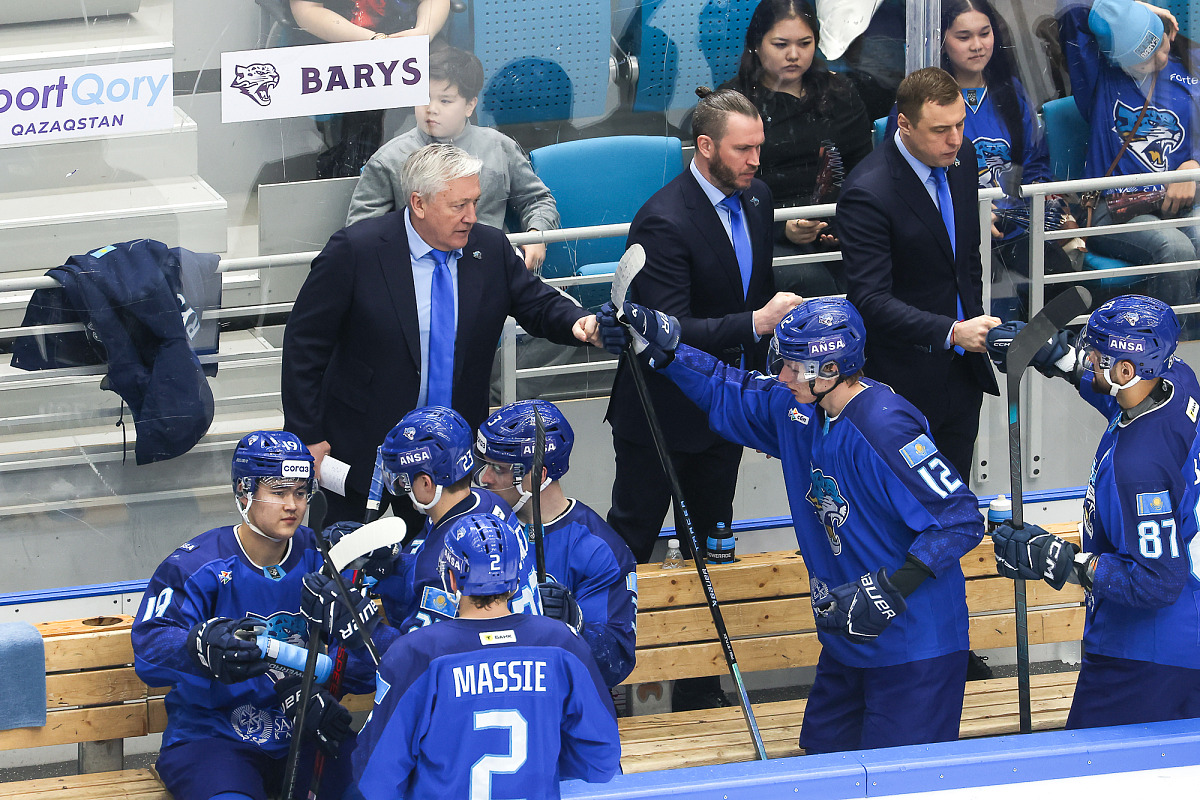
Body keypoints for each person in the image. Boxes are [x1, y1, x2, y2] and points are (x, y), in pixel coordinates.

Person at [598, 296, 984, 752]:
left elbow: (959, 520)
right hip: (847, 641)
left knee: (897, 781)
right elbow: (727, 387)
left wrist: (890, 589)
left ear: (832, 369)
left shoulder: (887, 427)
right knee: (820, 769)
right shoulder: (799, 410)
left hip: (915, 648)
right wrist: (664, 349)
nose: (783, 376)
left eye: (795, 367)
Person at [282, 143, 598, 530]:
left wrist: (578, 323)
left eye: (475, 202)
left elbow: (537, 303)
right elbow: (304, 346)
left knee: (444, 559)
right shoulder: (356, 251)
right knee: (346, 556)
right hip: (361, 449)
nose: (472, 217)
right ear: (419, 203)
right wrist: (307, 435)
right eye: (459, 206)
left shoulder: (490, 248)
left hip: (449, 460)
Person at [604, 87, 801, 709]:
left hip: (727, 408)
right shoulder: (664, 218)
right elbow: (670, 331)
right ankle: (605, 678)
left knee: (713, 545)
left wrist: (762, 378)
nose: (755, 161)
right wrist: (756, 324)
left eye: (760, 148)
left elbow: (756, 287)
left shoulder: (758, 198)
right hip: (660, 413)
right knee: (632, 541)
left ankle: (701, 686)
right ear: (706, 146)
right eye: (743, 150)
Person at [131, 432, 388, 800]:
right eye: (279, 492)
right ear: (243, 492)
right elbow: (149, 649)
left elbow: (367, 669)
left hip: (306, 728)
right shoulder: (196, 565)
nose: (293, 505)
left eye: (301, 492)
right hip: (213, 738)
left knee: (374, 790)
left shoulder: (323, 558)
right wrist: (197, 645)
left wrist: (323, 689)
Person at [986, 295, 1200, 728]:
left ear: (1126, 370)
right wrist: (1059, 360)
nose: (1088, 358)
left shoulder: (1138, 468)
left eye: (1098, 356)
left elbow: (1157, 581)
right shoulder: (1177, 379)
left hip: (1144, 653)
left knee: (1089, 763)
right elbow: (1120, 398)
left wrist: (1060, 559)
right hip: (1181, 634)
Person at [351, 512, 621, 799]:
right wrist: (543, 761)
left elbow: (376, 779)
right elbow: (602, 761)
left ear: (451, 578)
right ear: (516, 580)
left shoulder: (416, 654)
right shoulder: (563, 644)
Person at [838, 66, 1000, 484]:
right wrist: (952, 331)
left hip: (963, 373)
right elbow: (870, 299)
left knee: (956, 504)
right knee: (905, 507)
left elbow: (967, 258)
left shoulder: (962, 160)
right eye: (940, 129)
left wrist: (973, 326)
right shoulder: (868, 192)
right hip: (902, 382)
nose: (955, 139)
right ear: (905, 125)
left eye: (960, 124)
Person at [915, 0, 1076, 318]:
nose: (977, 45)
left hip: (1011, 229)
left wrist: (1041, 209)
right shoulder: (919, 101)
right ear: (942, 41)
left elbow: (1035, 163)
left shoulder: (1011, 92)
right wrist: (966, 212)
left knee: (1062, 285)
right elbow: (912, 178)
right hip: (950, 236)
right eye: (964, 37)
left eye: (984, 33)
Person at [347, 45, 559, 272]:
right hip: (421, 273)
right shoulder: (389, 159)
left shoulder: (500, 148)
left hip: (492, 268)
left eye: (445, 101)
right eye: (424, 98)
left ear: (470, 106)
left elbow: (537, 201)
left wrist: (537, 235)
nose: (431, 109)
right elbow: (361, 232)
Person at [475, 399, 639, 687]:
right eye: (485, 465)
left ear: (538, 475)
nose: (484, 479)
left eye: (498, 468)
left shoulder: (598, 549)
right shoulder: (475, 524)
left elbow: (615, 662)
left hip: (558, 699)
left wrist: (576, 626)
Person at [721, 0, 873, 295]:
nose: (794, 55)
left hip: (836, 221)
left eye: (805, 43)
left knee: (873, 271)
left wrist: (839, 223)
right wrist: (781, 227)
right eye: (781, 44)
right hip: (759, 228)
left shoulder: (840, 94)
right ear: (756, 44)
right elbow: (724, 187)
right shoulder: (733, 104)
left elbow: (863, 172)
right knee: (808, 281)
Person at [1058, 0, 1200, 308]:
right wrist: (1137, 9)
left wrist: (1194, 164)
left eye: (1158, 44)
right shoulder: (1100, 77)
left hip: (1176, 202)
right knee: (1176, 249)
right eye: (1143, 60)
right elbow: (1072, 10)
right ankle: (1168, 338)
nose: (1158, 58)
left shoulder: (1190, 68)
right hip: (1113, 208)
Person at [366, 406, 541, 632]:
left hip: (485, 651)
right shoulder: (489, 501)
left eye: (403, 479)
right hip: (524, 636)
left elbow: (414, 652)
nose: (400, 485)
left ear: (426, 483)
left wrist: (361, 625)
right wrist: (393, 566)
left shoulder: (441, 570)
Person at [287, 0, 452, 178]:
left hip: (408, 36)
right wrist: (376, 41)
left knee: (449, 76)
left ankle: (450, 166)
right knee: (362, 105)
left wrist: (423, 33)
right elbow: (307, 10)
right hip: (339, 38)